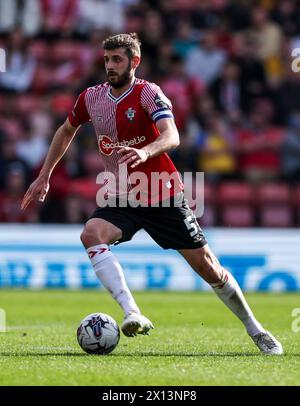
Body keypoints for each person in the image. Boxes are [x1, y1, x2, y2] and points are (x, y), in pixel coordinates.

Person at [21, 33, 282, 354]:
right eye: (106, 60)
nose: (110, 66)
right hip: (121, 195)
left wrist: (146, 152)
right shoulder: (91, 97)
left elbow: (171, 135)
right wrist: (44, 175)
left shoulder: (148, 94)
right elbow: (66, 130)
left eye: (117, 59)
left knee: (208, 267)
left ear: (134, 61)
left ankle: (255, 329)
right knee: (91, 233)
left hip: (161, 194)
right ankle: (132, 312)